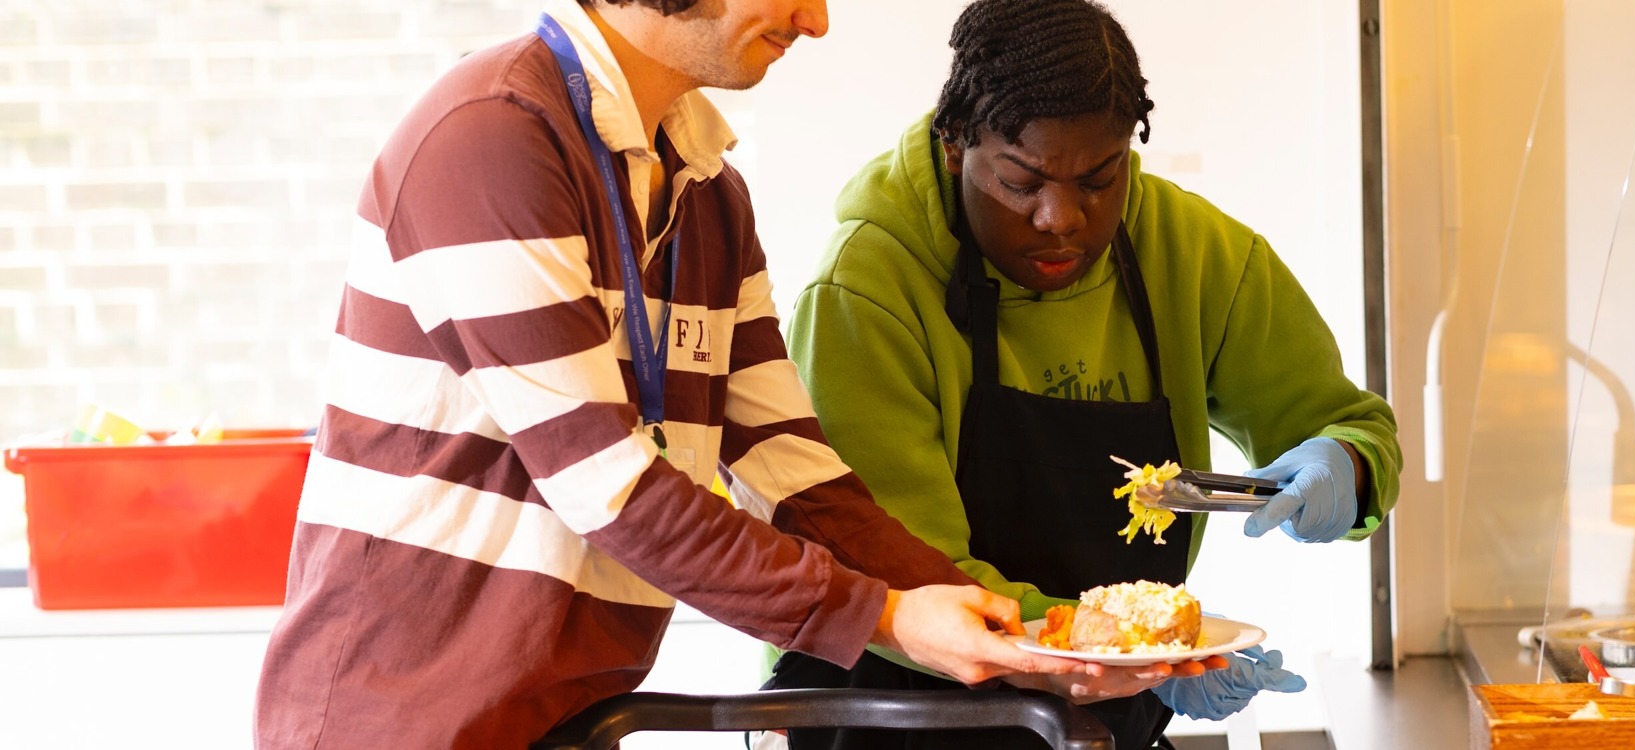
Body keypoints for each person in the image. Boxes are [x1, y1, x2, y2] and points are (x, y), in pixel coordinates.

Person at [252, 1, 1182, 746]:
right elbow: (608, 487)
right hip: (399, 718)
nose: (815, 19)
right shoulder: (491, 141)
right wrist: (891, 620)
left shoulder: (708, 192)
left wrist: (1026, 643)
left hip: (570, 713)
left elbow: (794, 472)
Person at [765, 0, 1403, 747]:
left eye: (1100, 179)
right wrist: (1121, 658)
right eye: (1021, 181)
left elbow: (1356, 431)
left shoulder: (1194, 254)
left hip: (1097, 709)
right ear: (953, 145)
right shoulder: (867, 288)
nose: (1060, 217)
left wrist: (1348, 469)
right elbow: (900, 573)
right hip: (887, 706)